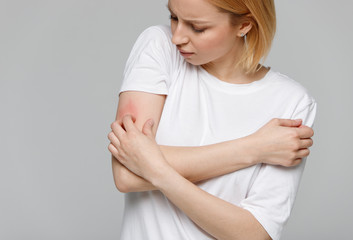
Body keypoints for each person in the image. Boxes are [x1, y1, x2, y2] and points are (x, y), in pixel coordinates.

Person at [108, 0, 316, 239]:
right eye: (174, 17)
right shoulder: (159, 46)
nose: (177, 37)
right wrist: (254, 148)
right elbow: (125, 174)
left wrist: (158, 172)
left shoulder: (292, 101)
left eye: (197, 28)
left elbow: (256, 234)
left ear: (244, 26)